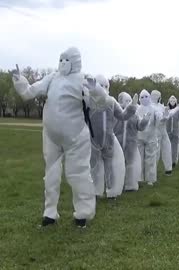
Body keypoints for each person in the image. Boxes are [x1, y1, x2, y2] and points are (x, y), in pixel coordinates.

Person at [12, 47, 109, 228]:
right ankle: (49, 213)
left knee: (78, 174)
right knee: (50, 175)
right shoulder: (53, 78)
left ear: (75, 62)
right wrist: (20, 81)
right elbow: (31, 91)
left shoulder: (82, 80)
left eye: (67, 60)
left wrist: (95, 89)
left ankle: (83, 214)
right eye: (61, 59)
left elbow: (101, 103)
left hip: (76, 137)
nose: (63, 63)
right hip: (51, 135)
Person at [89, 75, 137, 200]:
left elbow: (122, 115)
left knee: (113, 164)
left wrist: (131, 107)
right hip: (93, 139)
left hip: (109, 139)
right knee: (95, 166)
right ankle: (95, 191)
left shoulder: (111, 101)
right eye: (101, 85)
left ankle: (112, 191)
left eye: (106, 86)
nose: (103, 88)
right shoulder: (89, 100)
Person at [114, 92, 150, 192]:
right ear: (120, 101)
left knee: (132, 164)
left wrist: (146, 120)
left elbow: (140, 127)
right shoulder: (116, 113)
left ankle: (130, 185)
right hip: (118, 142)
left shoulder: (135, 115)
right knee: (117, 164)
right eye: (127, 101)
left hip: (131, 144)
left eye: (130, 100)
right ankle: (117, 185)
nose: (130, 103)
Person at [136, 90, 159, 186]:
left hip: (151, 137)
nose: (144, 99)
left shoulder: (153, 109)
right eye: (142, 97)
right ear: (139, 99)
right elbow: (137, 121)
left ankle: (151, 178)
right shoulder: (138, 109)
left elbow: (158, 118)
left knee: (151, 157)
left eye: (146, 96)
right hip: (139, 137)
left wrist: (161, 116)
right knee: (139, 157)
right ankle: (139, 177)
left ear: (149, 97)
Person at [150, 90, 173, 175]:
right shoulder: (150, 106)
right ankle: (152, 172)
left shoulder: (161, 106)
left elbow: (166, 115)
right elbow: (157, 116)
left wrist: (166, 115)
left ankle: (168, 169)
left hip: (163, 129)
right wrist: (163, 117)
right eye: (159, 96)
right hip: (155, 130)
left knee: (167, 147)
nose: (160, 98)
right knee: (156, 151)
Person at [166, 95, 179, 168]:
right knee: (168, 148)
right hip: (167, 131)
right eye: (171, 101)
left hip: (175, 131)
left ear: (176, 102)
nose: (172, 102)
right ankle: (168, 161)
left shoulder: (178, 110)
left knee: (174, 147)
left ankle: (173, 161)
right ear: (169, 101)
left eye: (174, 101)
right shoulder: (166, 109)